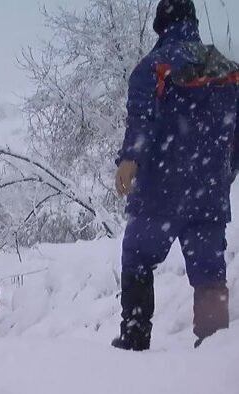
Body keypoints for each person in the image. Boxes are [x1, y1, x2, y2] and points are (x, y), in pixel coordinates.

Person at [113, 0, 239, 350]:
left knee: (137, 256)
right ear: (193, 23)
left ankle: (135, 337)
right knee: (210, 276)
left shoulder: (154, 66)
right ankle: (214, 346)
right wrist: (223, 175)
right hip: (210, 195)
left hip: (161, 193)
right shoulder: (229, 70)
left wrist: (130, 159)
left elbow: (142, 115)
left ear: (161, 27)